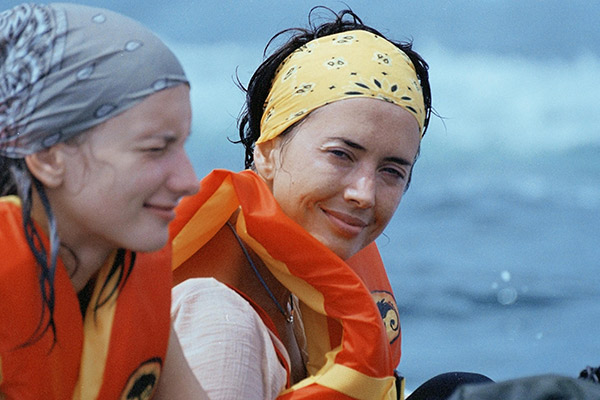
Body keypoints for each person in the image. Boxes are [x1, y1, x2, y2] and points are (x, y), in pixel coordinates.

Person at [170, 7, 489, 400]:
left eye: (391, 171)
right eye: (341, 155)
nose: (364, 194)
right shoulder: (218, 320)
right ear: (266, 151)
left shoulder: (313, 280)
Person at [0, 3, 208, 399]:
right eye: (154, 149)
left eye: (182, 146)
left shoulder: (126, 274)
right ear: (47, 157)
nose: (189, 181)